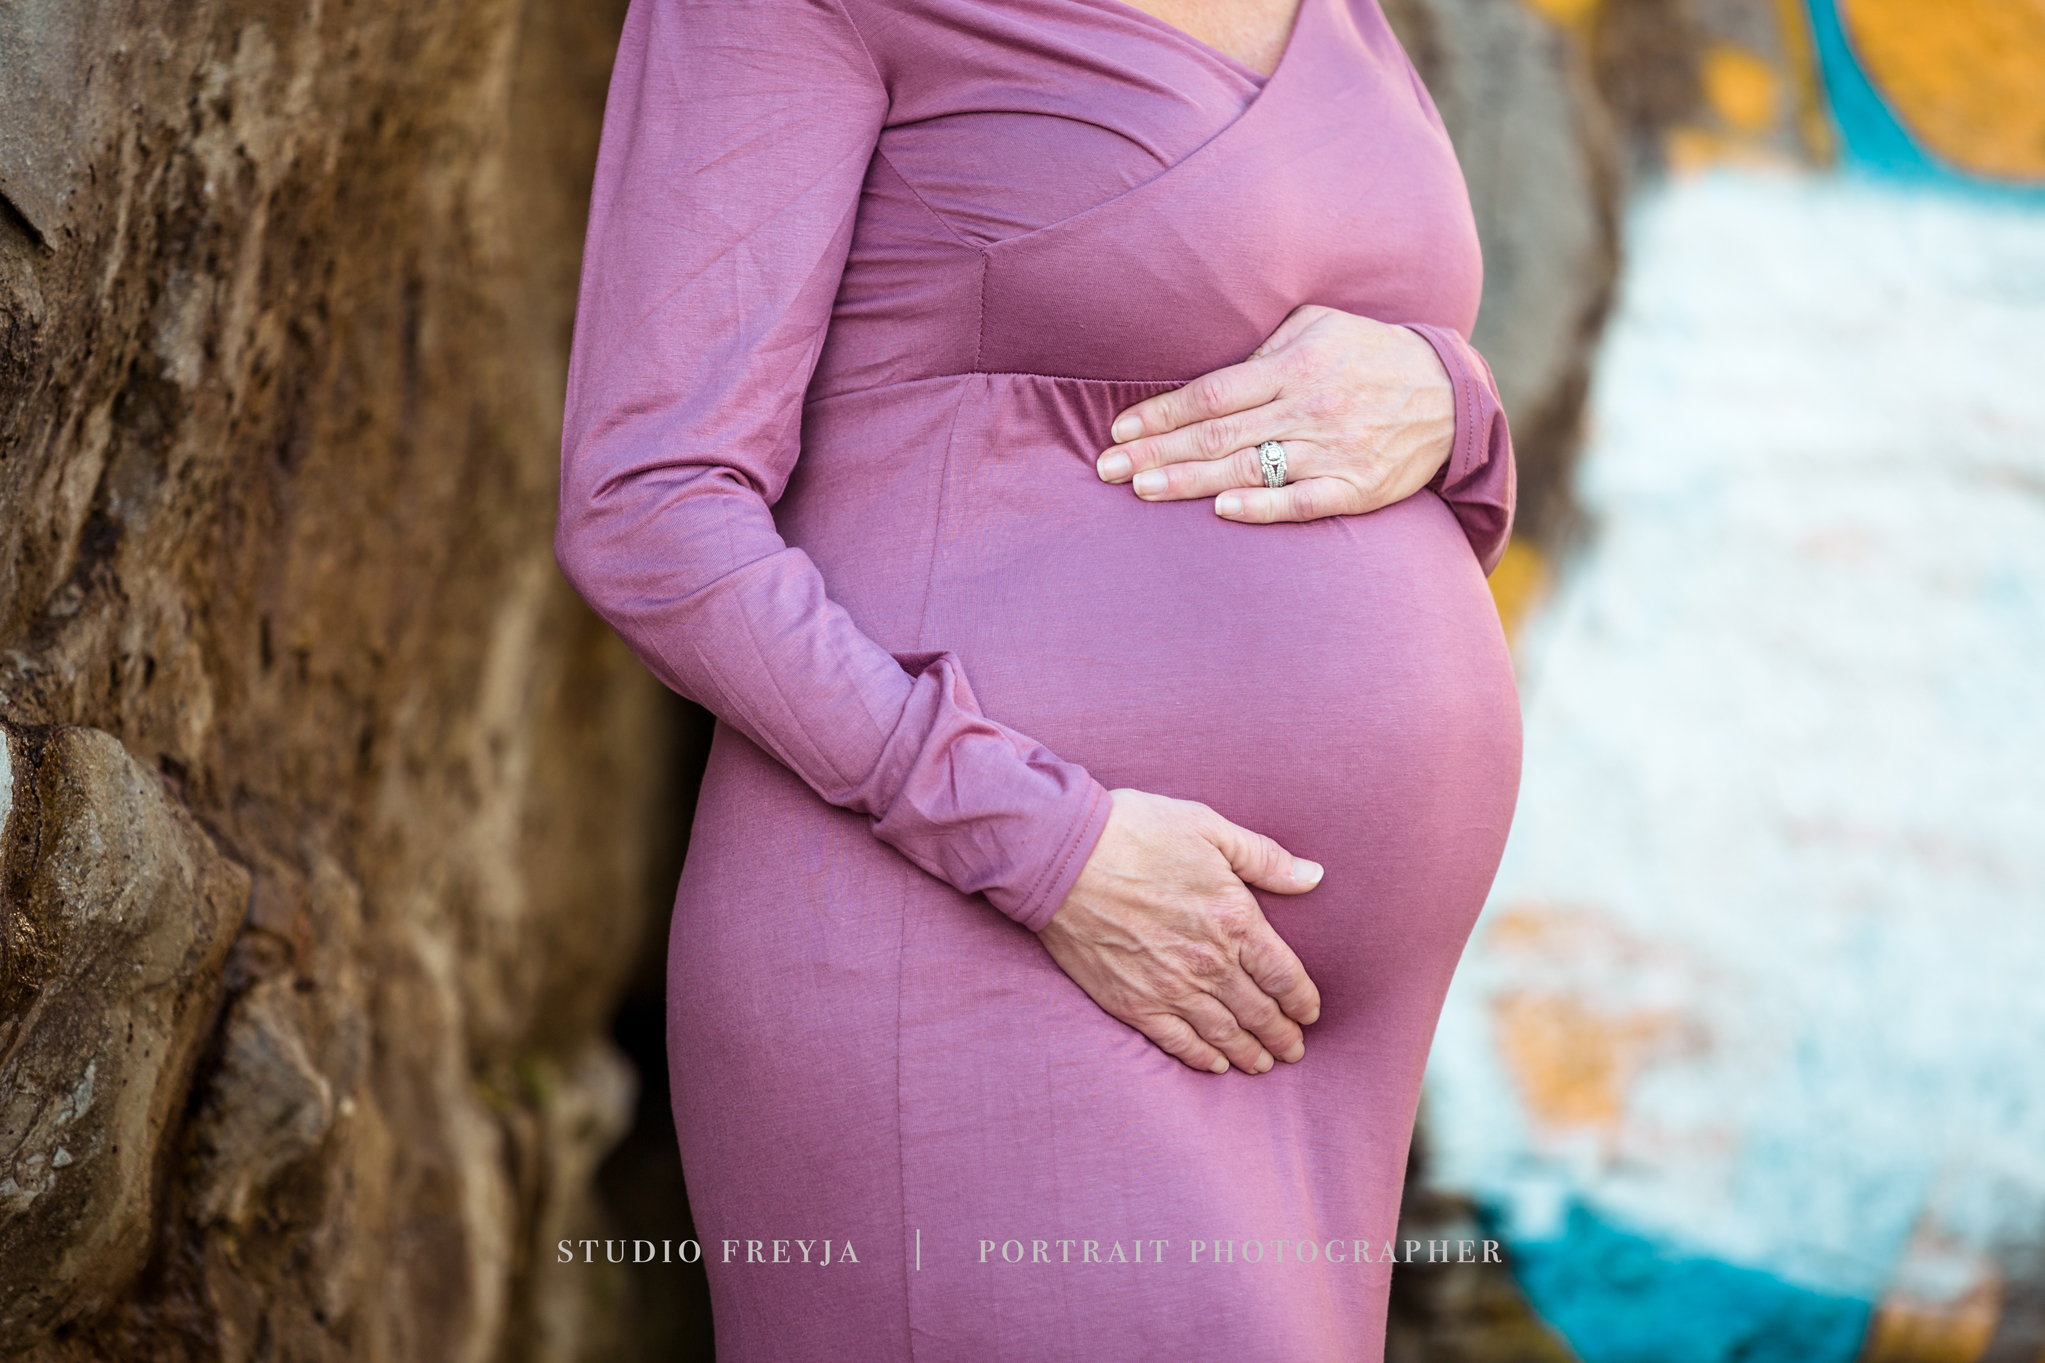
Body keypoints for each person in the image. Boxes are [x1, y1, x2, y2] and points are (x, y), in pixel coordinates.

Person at [555, 0, 1520, 1355]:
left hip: (1312, 1037)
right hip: (984, 931)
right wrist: (1044, 845)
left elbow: (1341, 406)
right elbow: (649, 509)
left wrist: (1447, 395)